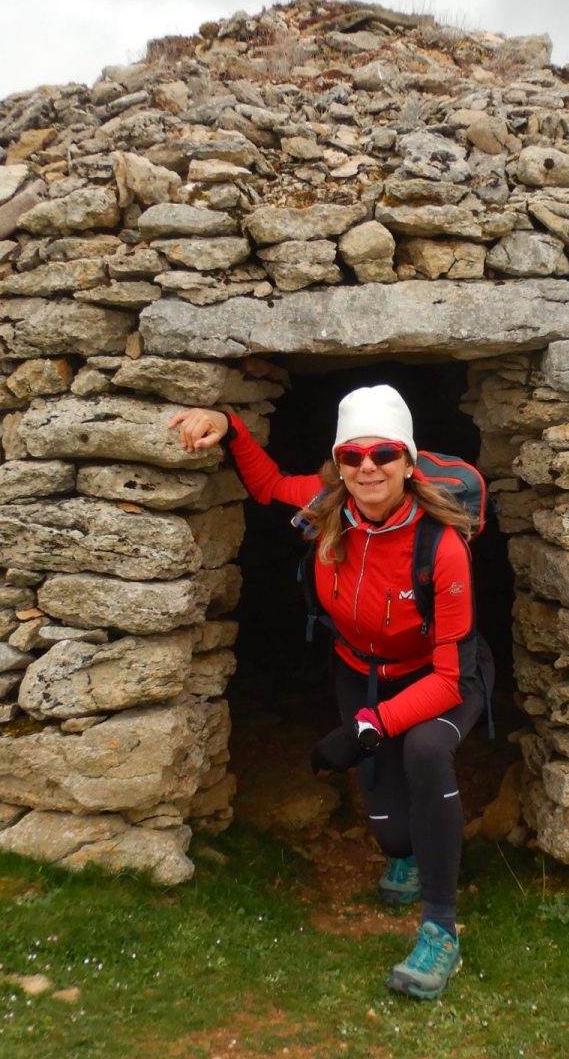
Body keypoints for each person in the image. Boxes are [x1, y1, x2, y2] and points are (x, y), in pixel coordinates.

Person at [170, 385, 484, 1001]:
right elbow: (266, 485)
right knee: (392, 834)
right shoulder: (324, 507)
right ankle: (407, 853)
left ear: (408, 462)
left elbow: (449, 680)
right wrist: (229, 424)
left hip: (439, 677)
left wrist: (366, 728)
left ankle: (441, 929)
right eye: (352, 455)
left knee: (424, 752)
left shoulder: (441, 543)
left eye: (384, 454)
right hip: (360, 670)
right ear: (338, 463)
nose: (368, 467)